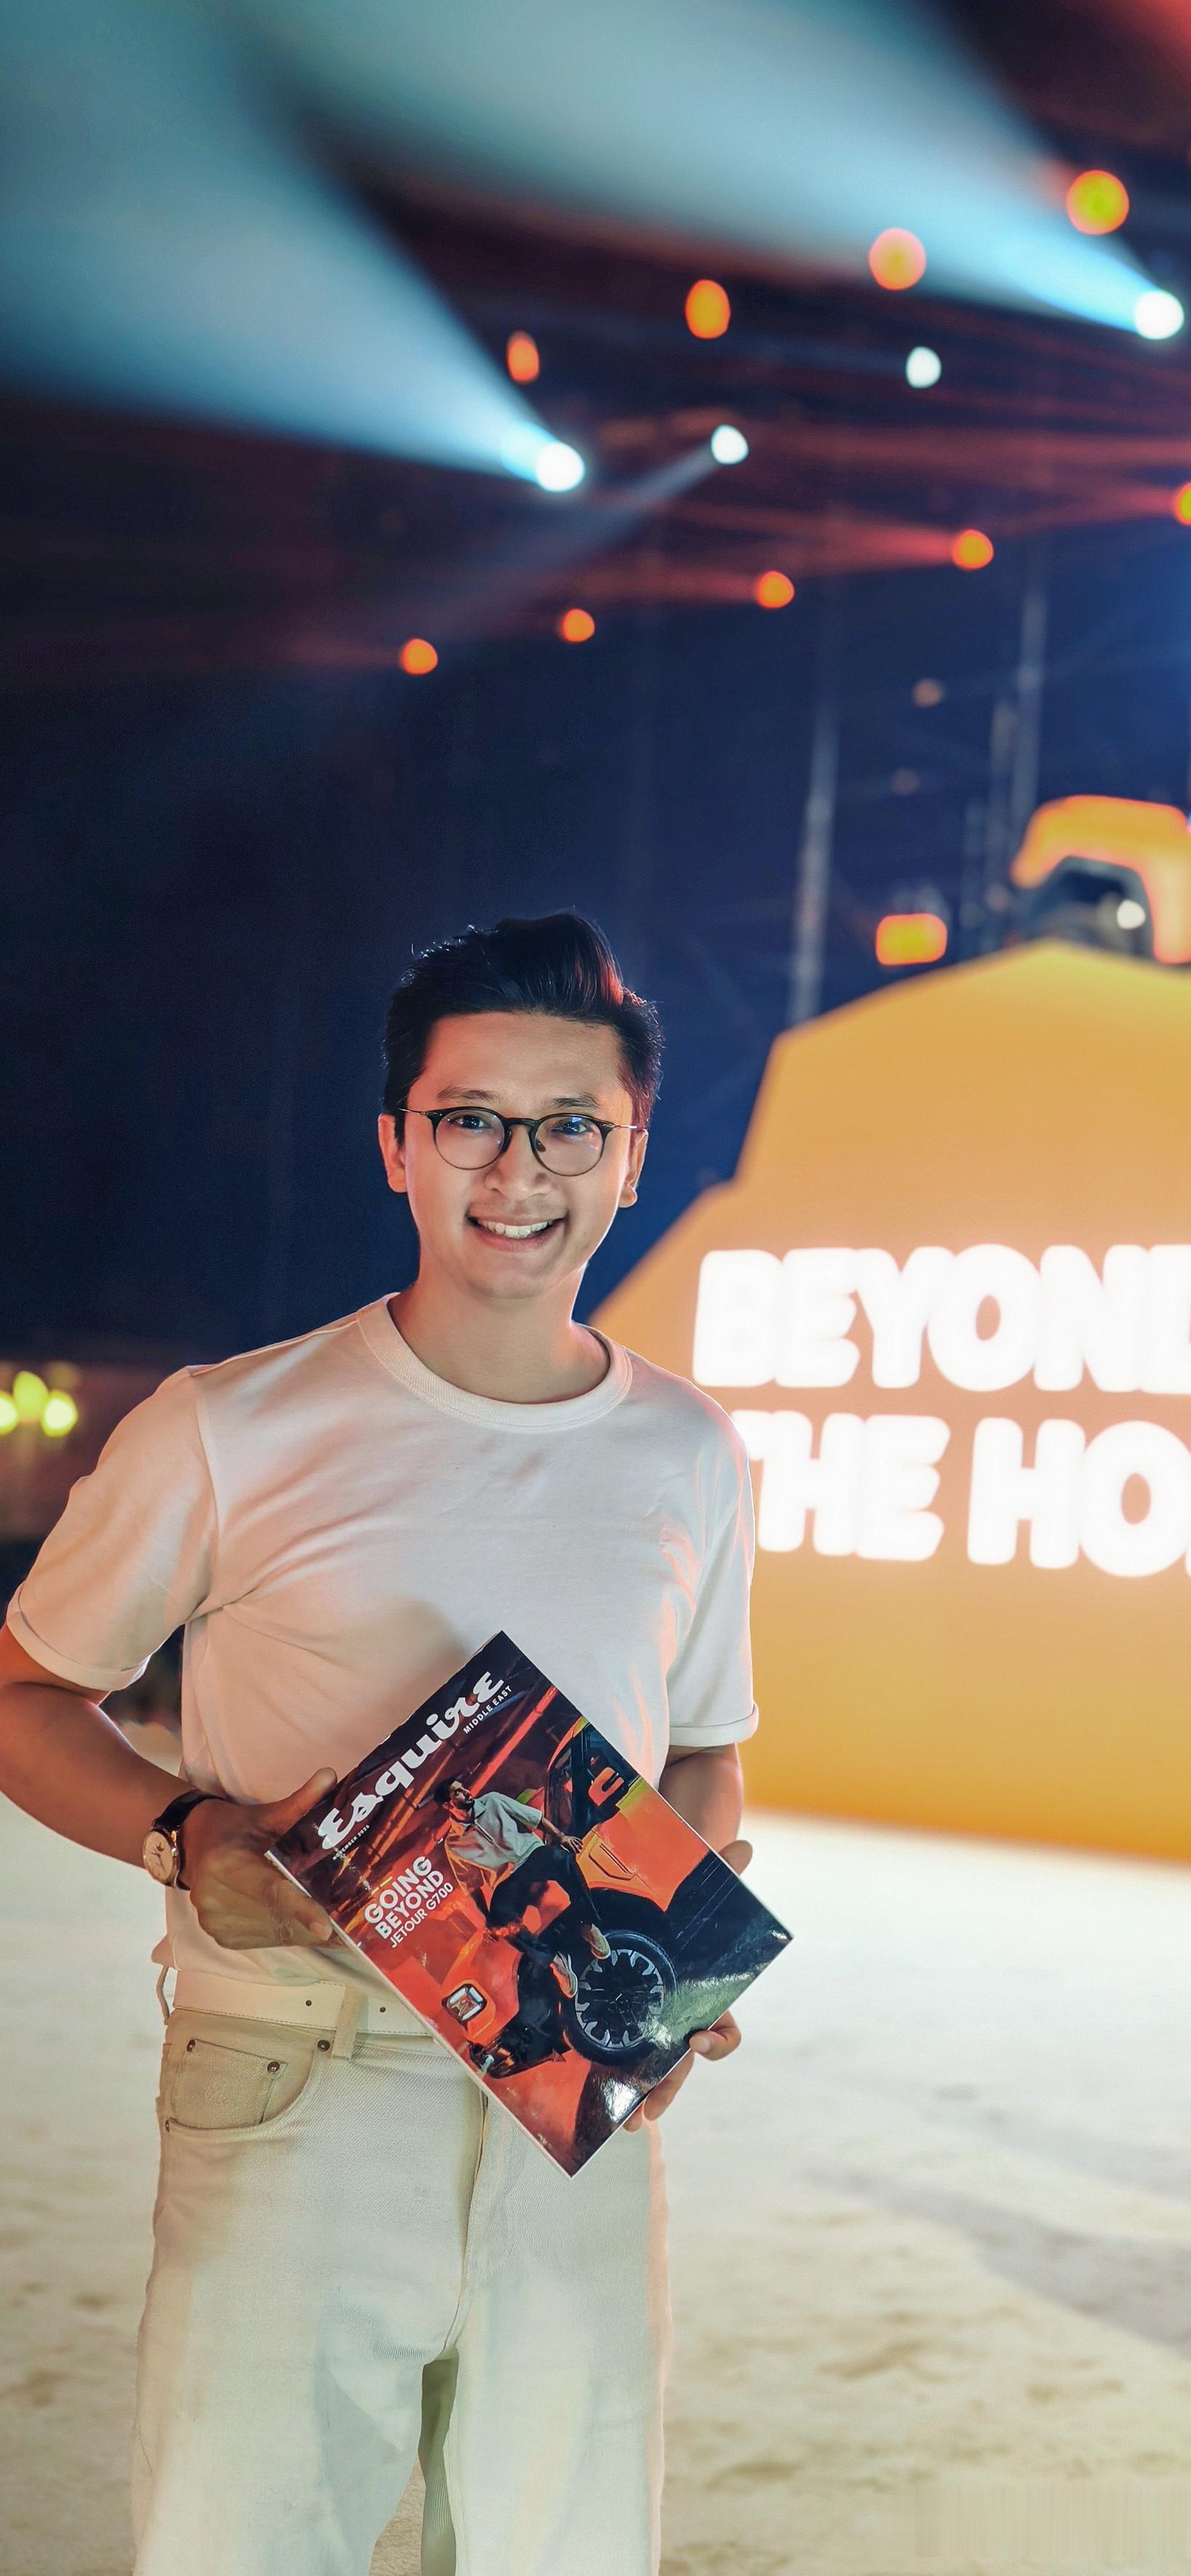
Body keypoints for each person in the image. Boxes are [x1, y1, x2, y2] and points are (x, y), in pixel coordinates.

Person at [0, 913, 758, 2576]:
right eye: (471, 1117)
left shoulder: (690, 1451)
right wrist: (183, 1837)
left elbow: (704, 1750)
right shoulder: (229, 1425)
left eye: (571, 1126)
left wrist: (684, 1943)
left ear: (632, 1157)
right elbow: (26, 1694)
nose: (520, 1169)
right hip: (297, 2072)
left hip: (577, 2114)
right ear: (396, 1144)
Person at [439, 1773, 616, 1970]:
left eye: (463, 1787)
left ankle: (587, 1924)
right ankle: (553, 1962)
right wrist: (489, 1919)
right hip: (505, 1881)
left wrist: (561, 1837)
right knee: (501, 1923)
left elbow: (534, 1818)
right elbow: (471, 1886)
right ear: (448, 1805)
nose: (466, 1792)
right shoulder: (453, 1845)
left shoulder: (493, 1800)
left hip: (531, 1854)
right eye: (457, 1792)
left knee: (563, 1860)